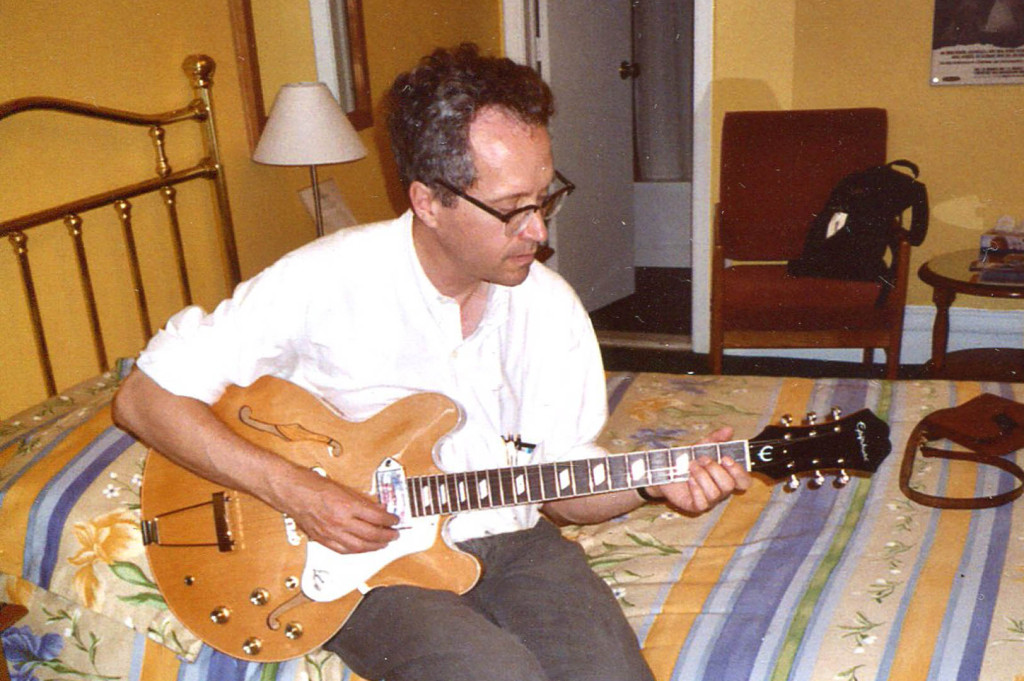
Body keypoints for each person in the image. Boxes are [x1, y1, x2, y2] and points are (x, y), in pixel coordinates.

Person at [112, 43, 751, 681]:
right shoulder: (327, 280)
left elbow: (561, 490)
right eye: (510, 209)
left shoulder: (550, 309)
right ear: (427, 202)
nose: (539, 233)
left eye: (545, 197)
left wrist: (650, 483)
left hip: (514, 541)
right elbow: (144, 399)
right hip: (365, 562)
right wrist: (299, 492)